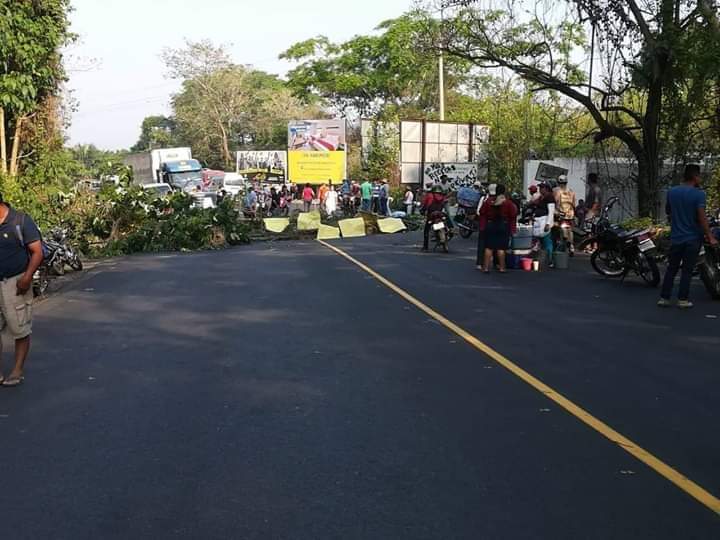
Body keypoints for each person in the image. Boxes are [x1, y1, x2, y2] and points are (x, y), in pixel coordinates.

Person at [658, 164, 718, 308]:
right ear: (695, 176)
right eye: (700, 176)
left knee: (672, 268)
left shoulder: (672, 191)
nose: (700, 178)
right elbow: (702, 217)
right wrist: (710, 235)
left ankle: (664, 298)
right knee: (687, 270)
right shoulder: (699, 194)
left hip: (676, 237)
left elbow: (668, 211)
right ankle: (682, 299)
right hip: (692, 238)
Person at [0, 195, 44, 387]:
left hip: (16, 283)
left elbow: (37, 252)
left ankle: (17, 370)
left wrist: (26, 278)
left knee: (20, 328)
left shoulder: (20, 221)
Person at [478, 184, 518, 273]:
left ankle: (485, 267)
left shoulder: (489, 201)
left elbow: (482, 212)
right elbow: (513, 215)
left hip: (490, 225)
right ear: (504, 191)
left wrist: (482, 226)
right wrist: (513, 229)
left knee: (488, 247)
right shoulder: (508, 203)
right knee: (501, 248)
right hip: (503, 226)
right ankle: (502, 267)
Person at [554, 175, 576, 254]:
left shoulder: (557, 191)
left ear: (558, 182)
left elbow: (555, 201)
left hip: (560, 214)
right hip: (570, 214)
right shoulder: (571, 191)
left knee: (559, 229)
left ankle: (562, 244)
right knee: (570, 230)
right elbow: (574, 204)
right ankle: (571, 246)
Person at [421, 185, 448, 251]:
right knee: (447, 221)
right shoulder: (443, 196)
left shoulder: (430, 195)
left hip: (431, 215)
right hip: (440, 214)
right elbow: (444, 204)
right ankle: (449, 230)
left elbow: (426, 205)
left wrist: (423, 210)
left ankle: (425, 247)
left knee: (426, 230)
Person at [535, 183, 556, 267]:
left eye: (542, 188)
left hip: (545, 221)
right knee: (542, 242)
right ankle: (543, 259)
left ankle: (550, 260)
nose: (540, 189)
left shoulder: (550, 197)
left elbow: (551, 212)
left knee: (547, 242)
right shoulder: (541, 197)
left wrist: (548, 224)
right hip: (539, 222)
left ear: (546, 188)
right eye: (539, 187)